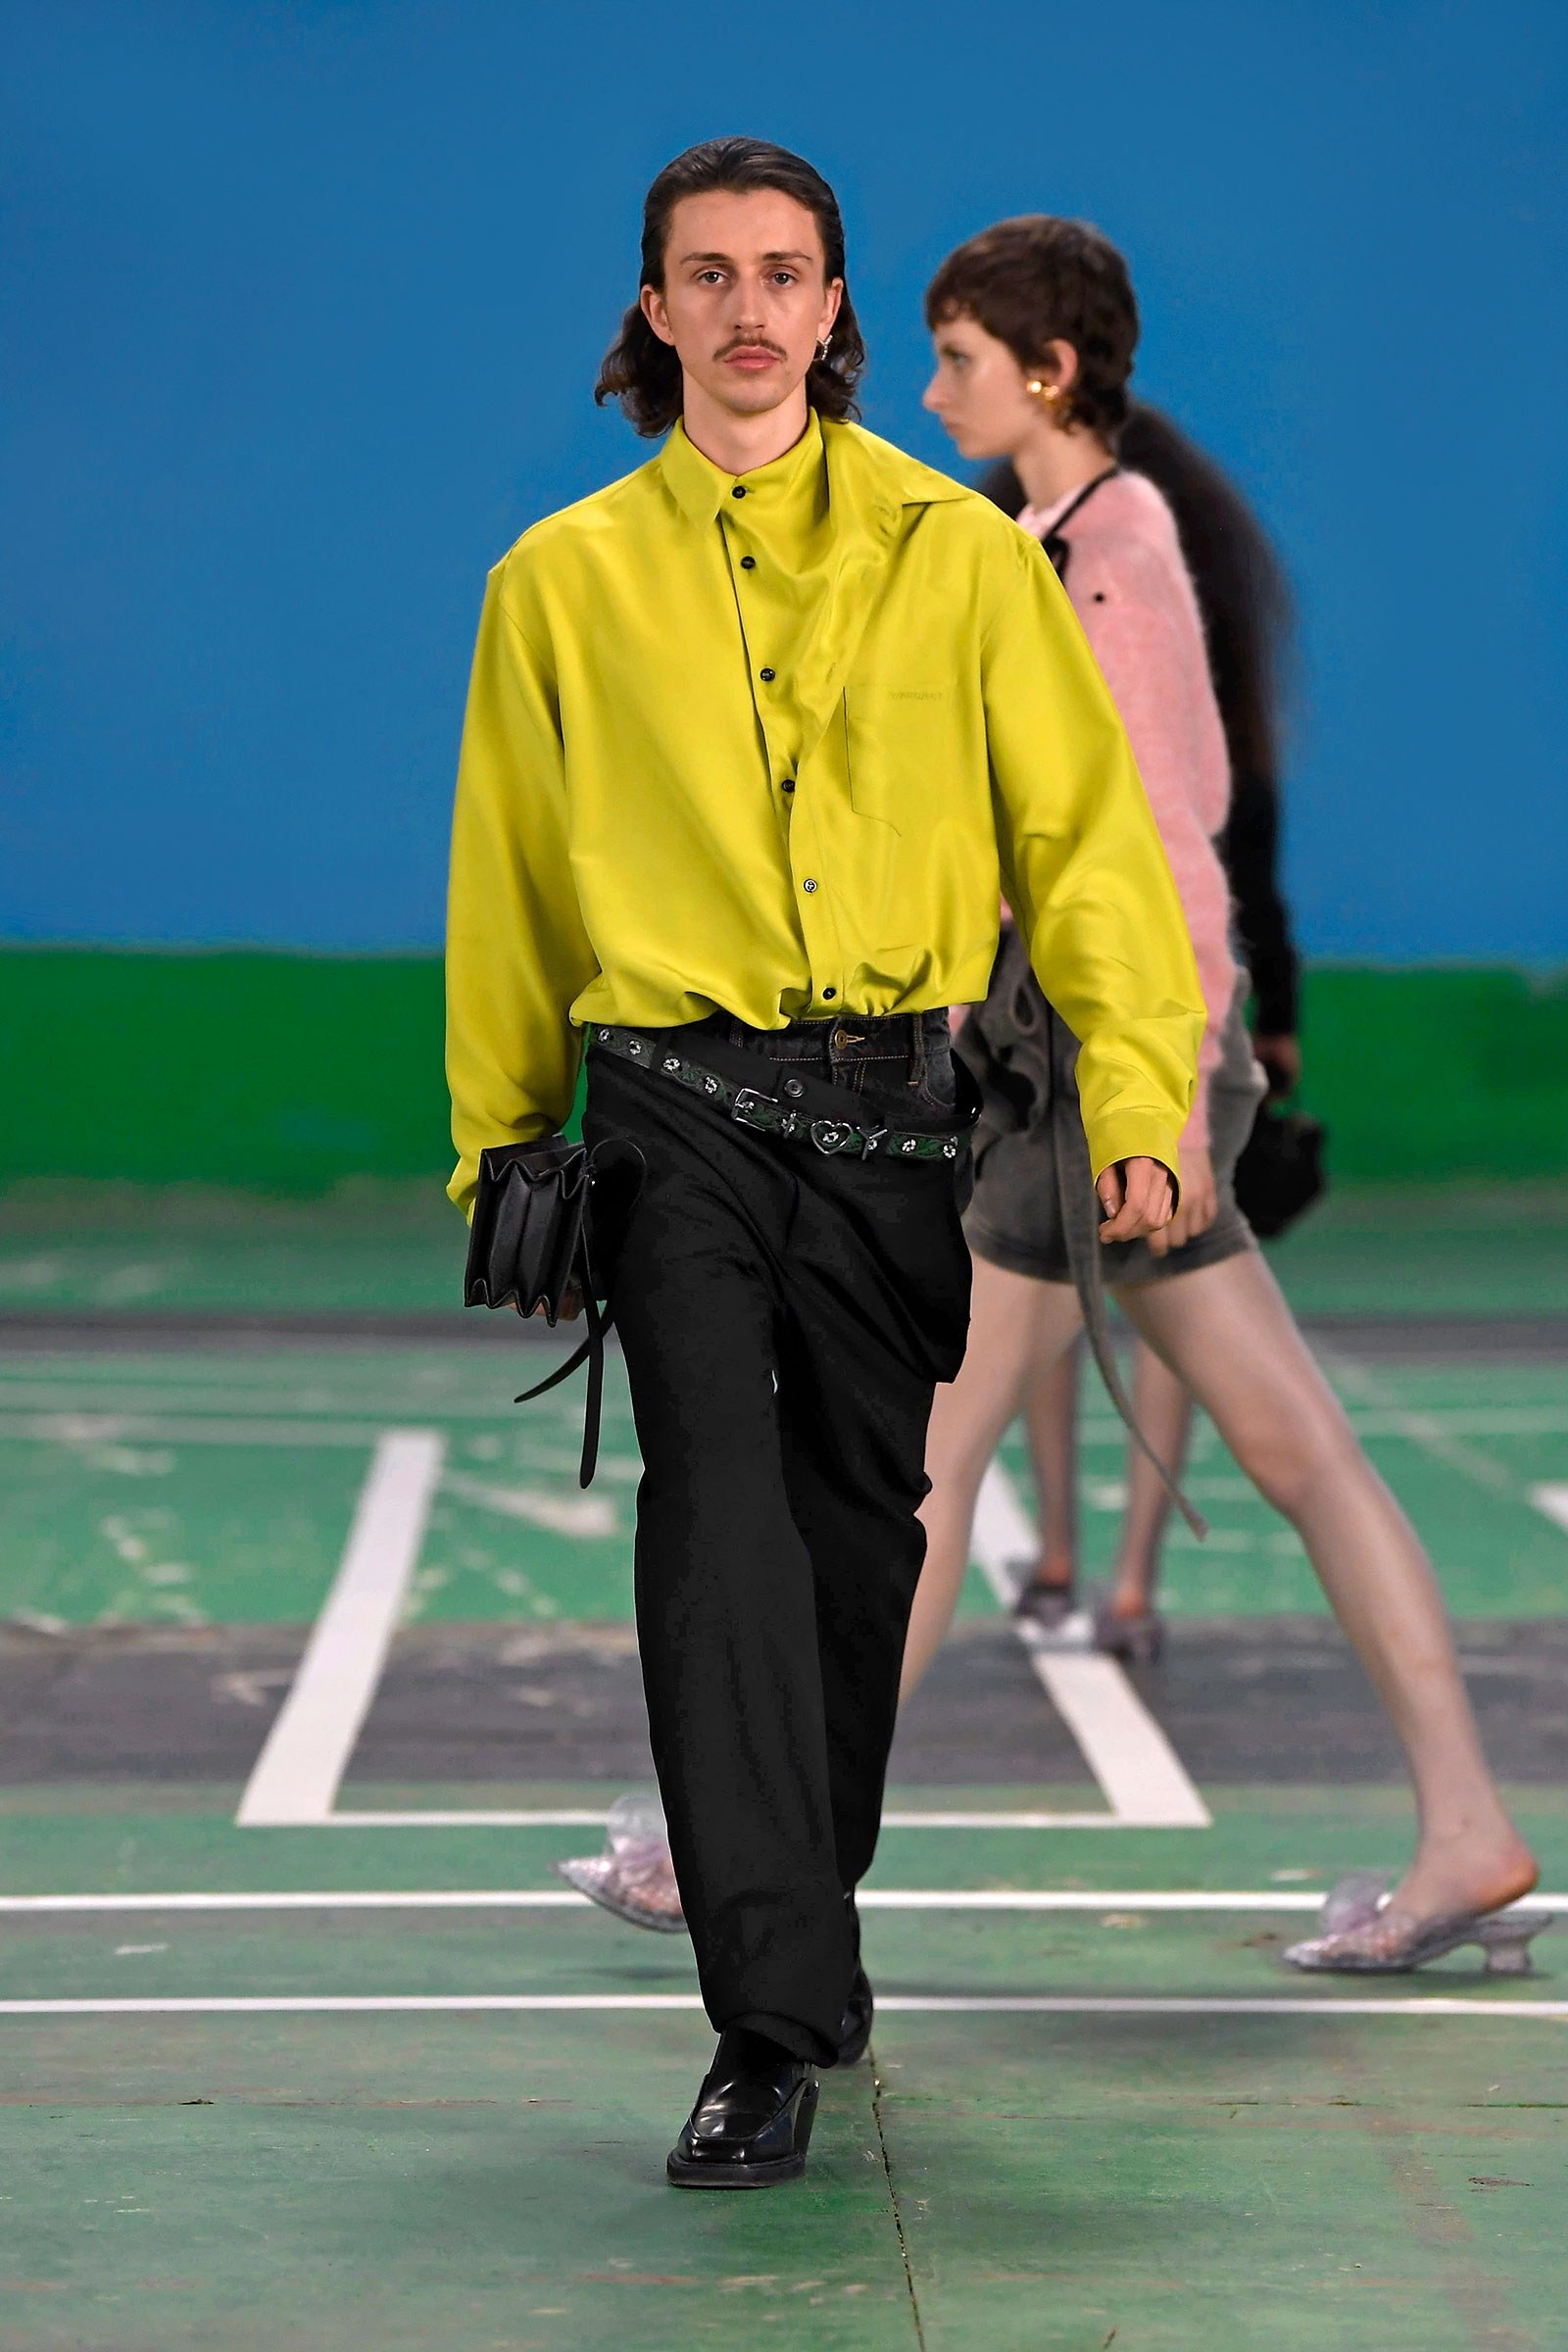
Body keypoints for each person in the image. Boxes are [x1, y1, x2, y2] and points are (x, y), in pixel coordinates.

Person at [446, 142, 1205, 2189]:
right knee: (716, 1531)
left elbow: (1085, 843)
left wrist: (1141, 1098)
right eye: (706, 275)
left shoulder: (961, 561)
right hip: (668, 1113)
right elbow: (509, 883)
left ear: (834, 306)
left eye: (783, 272)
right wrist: (501, 1147)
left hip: (888, 1117)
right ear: (655, 312)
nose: (748, 308)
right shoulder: (558, 583)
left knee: (857, 1547)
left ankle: (806, 1929)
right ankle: (764, 2024)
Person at [903, 213, 1541, 1976]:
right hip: (1074, 1053)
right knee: (1294, 1450)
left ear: (1047, 372)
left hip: (1105, 1066)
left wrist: (1168, 1107)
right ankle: (1469, 1833)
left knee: (930, 1458)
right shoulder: (1047, 538)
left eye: (959, 360)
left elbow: (1170, 842)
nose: (934, 392)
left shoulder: (1112, 550)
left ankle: (753, 1849)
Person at [978, 403, 1299, 1657]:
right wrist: (1268, 1032)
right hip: (1172, 996)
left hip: (1059, 997)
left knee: (1044, 1291)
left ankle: (1065, 1558)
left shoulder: (1045, 589)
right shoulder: (1188, 621)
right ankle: (1125, 1583)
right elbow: (1242, 842)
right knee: (1166, 1292)